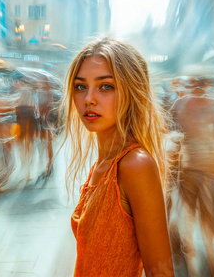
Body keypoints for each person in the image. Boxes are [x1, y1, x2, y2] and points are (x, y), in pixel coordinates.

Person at [61, 37, 174, 277]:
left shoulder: (135, 164)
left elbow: (160, 270)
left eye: (106, 86)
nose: (89, 98)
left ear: (132, 92)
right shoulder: (102, 164)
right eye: (81, 86)